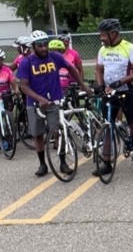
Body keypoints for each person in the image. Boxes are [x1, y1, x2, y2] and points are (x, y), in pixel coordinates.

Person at [18, 30, 87, 177]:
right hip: (35, 103)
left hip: (54, 100)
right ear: (33, 46)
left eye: (45, 44)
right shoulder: (26, 62)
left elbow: (72, 69)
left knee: (58, 131)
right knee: (38, 134)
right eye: (40, 46)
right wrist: (39, 98)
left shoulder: (55, 57)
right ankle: (42, 164)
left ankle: (63, 162)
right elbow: (23, 86)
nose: (44, 48)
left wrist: (82, 85)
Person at [94, 19, 133, 179]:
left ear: (113, 34)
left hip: (126, 91)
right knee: (107, 127)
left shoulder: (129, 48)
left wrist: (120, 82)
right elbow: (98, 70)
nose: (101, 38)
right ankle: (106, 163)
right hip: (109, 93)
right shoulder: (103, 50)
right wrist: (100, 85)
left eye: (103, 35)